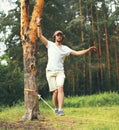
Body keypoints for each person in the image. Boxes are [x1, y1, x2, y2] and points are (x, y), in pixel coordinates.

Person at [36, 18, 97, 116]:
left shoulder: (65, 48)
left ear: (62, 37)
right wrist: (38, 25)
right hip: (50, 71)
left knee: (60, 88)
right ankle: (56, 108)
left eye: (60, 35)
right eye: (57, 35)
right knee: (55, 92)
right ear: (54, 37)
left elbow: (77, 53)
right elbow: (39, 36)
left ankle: (60, 109)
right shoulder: (50, 45)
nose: (59, 36)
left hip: (60, 72)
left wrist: (88, 50)